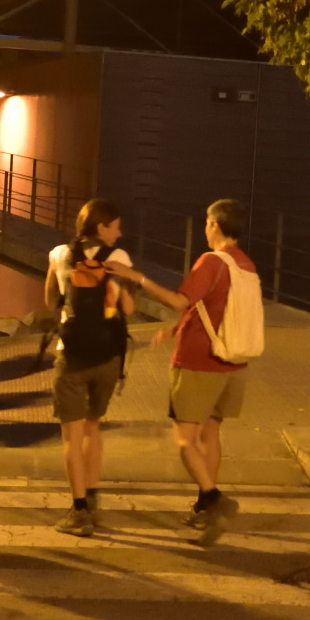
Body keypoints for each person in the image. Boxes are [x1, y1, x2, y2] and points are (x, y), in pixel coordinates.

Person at [108, 198, 259, 546]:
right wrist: (176, 328)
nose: (205, 228)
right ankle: (204, 507)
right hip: (233, 362)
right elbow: (218, 308)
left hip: (199, 363)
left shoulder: (211, 261)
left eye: (207, 222)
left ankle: (215, 500)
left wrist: (137, 277)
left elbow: (179, 300)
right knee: (211, 433)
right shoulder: (246, 264)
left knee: (184, 440)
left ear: (216, 225)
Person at [45, 199, 137, 534]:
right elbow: (129, 307)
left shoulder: (59, 254)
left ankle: (79, 510)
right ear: (101, 227)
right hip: (108, 357)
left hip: (71, 356)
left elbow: (49, 301)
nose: (120, 233)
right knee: (92, 427)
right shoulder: (119, 258)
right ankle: (93, 497)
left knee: (71, 435)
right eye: (116, 227)